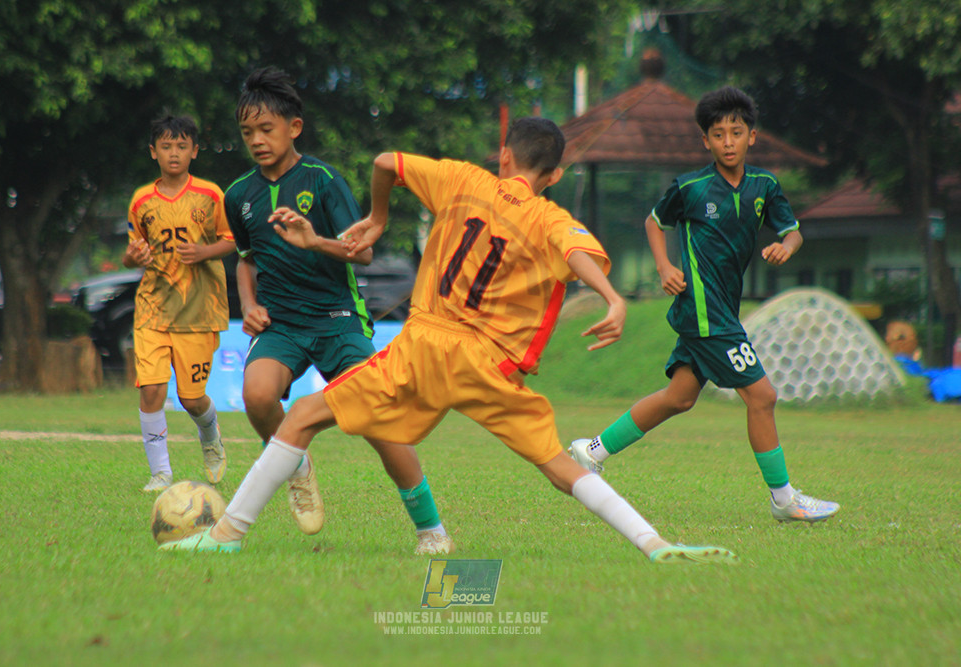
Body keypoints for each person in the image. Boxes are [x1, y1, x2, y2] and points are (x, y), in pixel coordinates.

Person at [162, 116, 738, 564]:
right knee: (559, 464)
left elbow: (385, 160)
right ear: (555, 176)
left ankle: (227, 535)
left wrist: (380, 217)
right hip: (486, 364)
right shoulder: (547, 216)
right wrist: (612, 297)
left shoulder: (465, 180)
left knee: (301, 417)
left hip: (424, 347)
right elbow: (577, 252)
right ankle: (654, 543)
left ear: (504, 155)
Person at [568, 86, 840, 524]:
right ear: (706, 141)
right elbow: (655, 223)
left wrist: (786, 246)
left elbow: (793, 231)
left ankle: (590, 450)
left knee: (679, 397)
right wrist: (663, 266)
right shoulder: (691, 187)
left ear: (752, 136)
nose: (728, 141)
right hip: (703, 310)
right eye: (718, 134)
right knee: (763, 396)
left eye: (736, 132)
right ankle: (784, 499)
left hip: (722, 311)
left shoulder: (764, 186)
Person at [221, 66, 452, 554]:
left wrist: (315, 239)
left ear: (293, 128)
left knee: (377, 419)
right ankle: (295, 464)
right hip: (282, 323)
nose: (257, 141)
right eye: (248, 133)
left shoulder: (324, 181)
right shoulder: (238, 195)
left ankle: (431, 530)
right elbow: (245, 259)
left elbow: (363, 252)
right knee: (258, 397)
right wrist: (248, 303)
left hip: (337, 319)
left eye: (267, 129)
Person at [124, 114, 235, 492]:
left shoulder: (211, 195)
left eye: (182, 146)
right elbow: (131, 252)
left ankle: (210, 433)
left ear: (195, 151)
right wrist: (133, 258)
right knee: (152, 389)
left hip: (199, 311)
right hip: (153, 309)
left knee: (191, 398)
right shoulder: (141, 201)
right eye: (167, 146)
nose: (174, 153)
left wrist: (204, 251)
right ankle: (161, 473)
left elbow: (233, 239)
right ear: (153, 152)